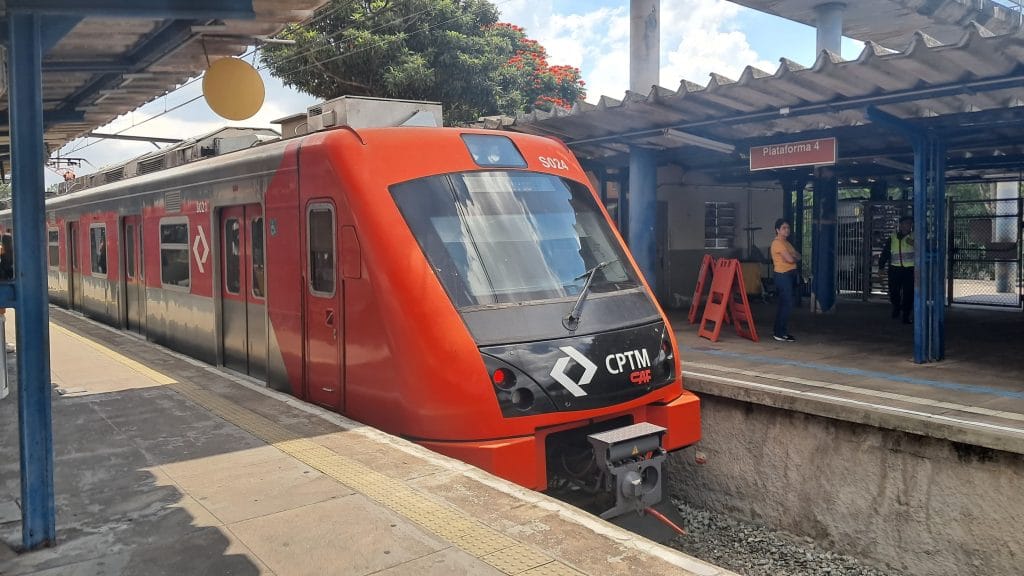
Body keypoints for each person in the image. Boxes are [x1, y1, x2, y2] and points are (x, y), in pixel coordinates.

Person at [879, 215, 914, 324]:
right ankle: (896, 307)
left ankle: (906, 315)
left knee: (909, 293)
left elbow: (924, 249)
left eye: (909, 224)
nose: (907, 226)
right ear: (900, 225)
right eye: (905, 223)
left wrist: (915, 244)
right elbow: (885, 253)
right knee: (894, 291)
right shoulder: (892, 238)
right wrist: (881, 266)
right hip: (895, 269)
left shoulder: (915, 237)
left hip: (910, 270)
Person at [770, 218, 801, 342]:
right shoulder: (777, 243)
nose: (787, 230)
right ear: (777, 230)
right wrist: (792, 257)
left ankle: (781, 331)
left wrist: (792, 256)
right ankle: (779, 332)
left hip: (789, 275)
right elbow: (791, 259)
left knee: (786, 304)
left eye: (788, 228)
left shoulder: (787, 243)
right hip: (782, 276)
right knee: (786, 304)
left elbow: (798, 255)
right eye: (784, 228)